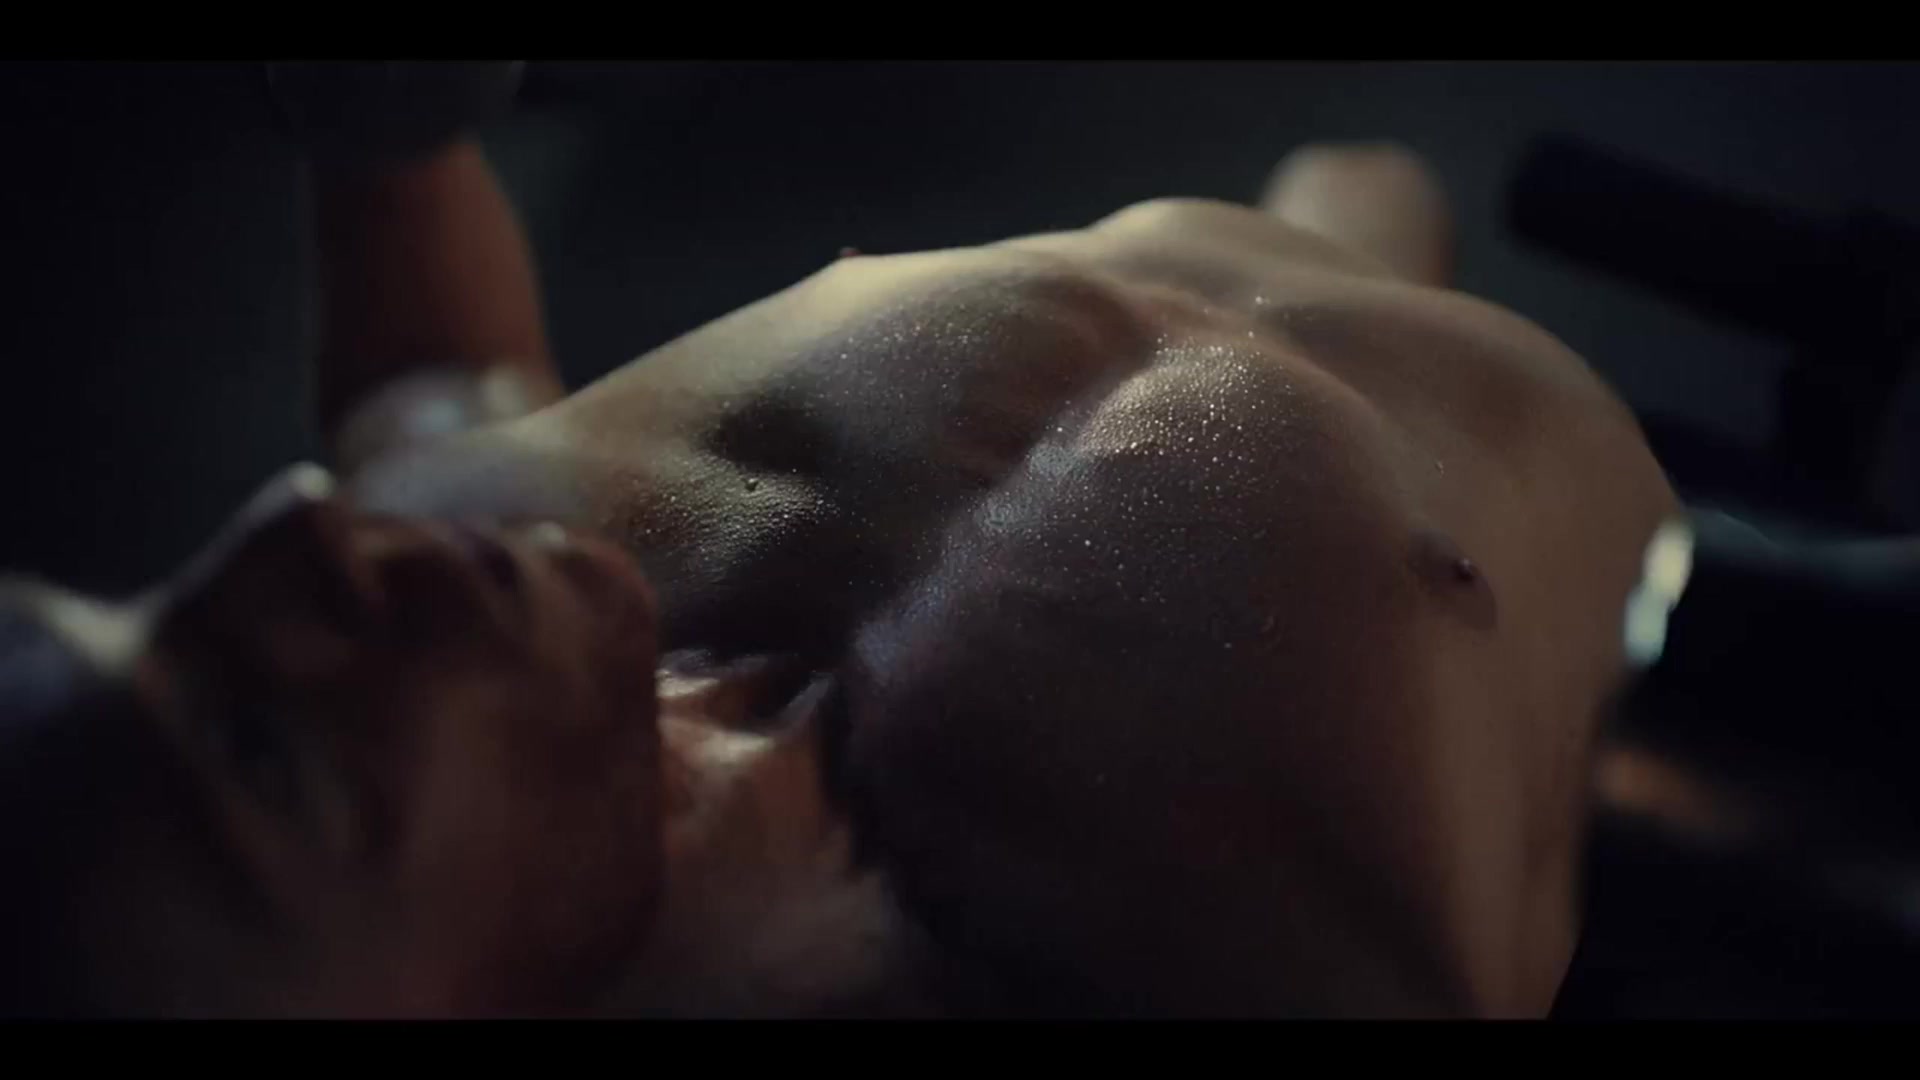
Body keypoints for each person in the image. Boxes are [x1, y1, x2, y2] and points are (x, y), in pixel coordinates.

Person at [0, 72, 1677, 1016]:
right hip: (1690, 552)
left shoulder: (453, 577)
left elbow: (434, 391)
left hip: (1285, 223)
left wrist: (389, 135)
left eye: (142, 601)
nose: (289, 530)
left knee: (1361, 188)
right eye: (256, 747)